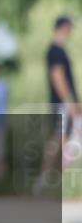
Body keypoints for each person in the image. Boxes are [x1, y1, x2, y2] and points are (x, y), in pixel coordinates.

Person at [36, 15, 80, 192]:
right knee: (57, 140)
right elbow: (58, 77)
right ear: (64, 27)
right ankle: (44, 180)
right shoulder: (56, 50)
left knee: (66, 140)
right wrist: (70, 102)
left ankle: (61, 180)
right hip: (62, 104)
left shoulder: (59, 50)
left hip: (64, 103)